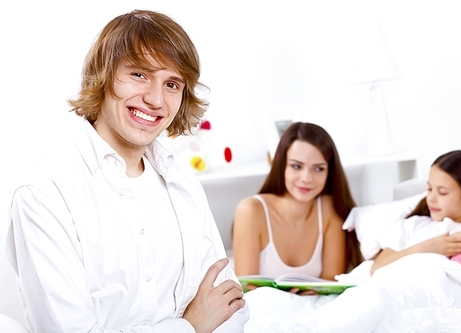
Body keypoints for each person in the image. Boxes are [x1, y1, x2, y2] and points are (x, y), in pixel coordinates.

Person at [6, 9, 248, 332]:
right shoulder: (45, 195)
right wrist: (190, 326)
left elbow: (231, 309)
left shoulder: (184, 186)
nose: (155, 99)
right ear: (102, 76)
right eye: (139, 75)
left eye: (172, 84)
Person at [232, 122, 362, 290]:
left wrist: (307, 296)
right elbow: (246, 288)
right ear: (281, 165)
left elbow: (329, 285)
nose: (307, 178)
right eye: (296, 166)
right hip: (264, 309)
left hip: (309, 309)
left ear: (329, 172)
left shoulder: (329, 209)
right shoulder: (250, 210)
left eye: (319, 169)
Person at [371, 149, 461, 274]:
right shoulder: (413, 225)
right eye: (429, 189)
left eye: (442, 192)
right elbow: (377, 269)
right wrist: (427, 247)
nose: (431, 198)